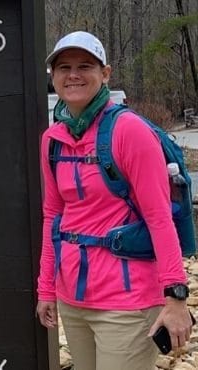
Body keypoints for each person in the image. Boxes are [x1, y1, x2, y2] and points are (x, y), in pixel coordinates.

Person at [35, 31, 193, 370]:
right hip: (73, 301)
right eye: (63, 67)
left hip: (128, 302)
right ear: (53, 76)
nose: (73, 75)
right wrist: (46, 288)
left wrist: (176, 297)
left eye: (84, 66)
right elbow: (53, 215)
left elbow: (158, 216)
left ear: (105, 73)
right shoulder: (53, 140)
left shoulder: (129, 131)